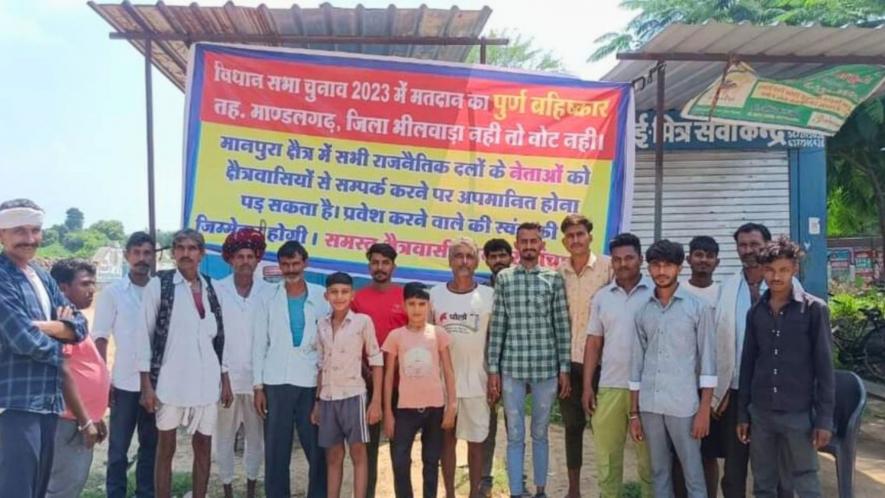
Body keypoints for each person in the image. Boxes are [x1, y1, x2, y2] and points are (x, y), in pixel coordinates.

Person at [0, 198, 88, 498]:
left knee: (38, 490)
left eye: (35, 230)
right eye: (19, 231)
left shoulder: (41, 276)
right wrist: (60, 343)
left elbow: (79, 326)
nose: (29, 238)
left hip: (48, 402)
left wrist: (45, 326)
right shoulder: (1, 276)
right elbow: (22, 339)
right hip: (14, 405)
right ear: (2, 234)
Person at [136, 229, 232, 498]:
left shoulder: (213, 288)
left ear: (201, 254)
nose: (186, 253)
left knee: (203, 447)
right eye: (180, 247)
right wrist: (146, 385)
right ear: (173, 253)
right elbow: (143, 335)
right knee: (165, 449)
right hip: (170, 382)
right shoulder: (160, 284)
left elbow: (221, 337)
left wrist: (225, 380)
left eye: (192, 248)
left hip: (207, 382)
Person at [737, 237, 835, 498]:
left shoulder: (814, 310)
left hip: (799, 413)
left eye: (783, 270)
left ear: (794, 270)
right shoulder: (756, 312)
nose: (776, 276)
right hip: (761, 413)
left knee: (805, 478)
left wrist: (824, 419)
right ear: (761, 270)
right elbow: (747, 365)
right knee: (763, 480)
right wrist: (743, 414)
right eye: (769, 270)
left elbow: (825, 368)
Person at [487, 222, 571, 498]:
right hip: (512, 367)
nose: (529, 246)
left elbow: (561, 326)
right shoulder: (505, 279)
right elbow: (498, 325)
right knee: (514, 434)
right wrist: (493, 370)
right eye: (524, 241)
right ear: (517, 245)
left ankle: (540, 490)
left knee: (540, 431)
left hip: (546, 368)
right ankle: (515, 491)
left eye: (534, 241)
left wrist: (564, 369)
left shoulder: (554, 279)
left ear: (542, 245)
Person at [629, 240, 716, 498]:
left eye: (668, 265)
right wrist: (634, 413)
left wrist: (704, 411)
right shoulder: (643, 310)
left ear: (679, 268)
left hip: (684, 406)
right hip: (650, 405)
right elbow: (637, 365)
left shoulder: (697, 308)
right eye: (656, 265)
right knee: (659, 471)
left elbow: (708, 365)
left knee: (693, 472)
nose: (661, 271)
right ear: (649, 268)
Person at [714, 223, 795, 498]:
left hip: (777, 393)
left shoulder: (791, 288)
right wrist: (720, 389)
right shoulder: (727, 288)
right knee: (734, 469)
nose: (748, 250)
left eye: (754, 244)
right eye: (743, 245)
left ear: (767, 245)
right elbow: (719, 341)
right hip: (737, 391)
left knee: (780, 470)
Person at [253, 241, 328, 498]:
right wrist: (258, 386)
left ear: (305, 263)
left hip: (310, 382)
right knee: (276, 450)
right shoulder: (267, 297)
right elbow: (259, 342)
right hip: (276, 381)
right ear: (280, 266)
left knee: (316, 448)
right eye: (285, 264)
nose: (291, 269)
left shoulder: (322, 296)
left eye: (295, 263)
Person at [581, 233, 653, 498]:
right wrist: (588, 386)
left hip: (648, 392)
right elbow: (593, 344)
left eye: (629, 258)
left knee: (649, 463)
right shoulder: (602, 297)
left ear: (640, 259)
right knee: (607, 462)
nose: (623, 264)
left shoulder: (655, 293)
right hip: (610, 387)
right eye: (618, 259)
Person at [93, 231, 158, 498]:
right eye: (137, 253)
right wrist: (103, 381)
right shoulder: (113, 292)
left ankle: (146, 493)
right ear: (127, 256)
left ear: (154, 257)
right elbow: (99, 338)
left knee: (151, 447)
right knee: (118, 449)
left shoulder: (162, 289)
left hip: (157, 384)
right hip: (123, 383)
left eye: (147, 253)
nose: (142, 259)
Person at [430, 237, 494, 498]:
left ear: (477, 261)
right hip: (444, 384)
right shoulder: (434, 294)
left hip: (477, 381)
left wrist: (493, 375)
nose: (464, 261)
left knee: (477, 442)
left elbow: (494, 338)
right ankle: (449, 494)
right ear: (450, 261)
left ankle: (474, 493)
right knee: (447, 441)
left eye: (469, 256)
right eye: (458, 256)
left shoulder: (489, 295)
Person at [311, 272, 383, 498]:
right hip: (328, 398)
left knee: (358, 452)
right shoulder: (322, 324)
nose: (339, 296)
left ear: (352, 295)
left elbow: (376, 360)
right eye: (334, 292)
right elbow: (322, 365)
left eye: (344, 292)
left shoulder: (362, 322)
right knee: (333, 455)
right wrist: (317, 402)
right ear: (326, 295)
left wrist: (377, 401)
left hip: (354, 395)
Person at [382, 282, 457, 498]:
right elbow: (388, 377)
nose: (417, 309)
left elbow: (449, 371)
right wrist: (388, 413)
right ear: (404, 306)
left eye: (421, 304)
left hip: (435, 407)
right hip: (405, 409)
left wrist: (451, 405)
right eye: (412, 304)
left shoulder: (438, 333)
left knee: (432, 460)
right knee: (400, 459)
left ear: (429, 305)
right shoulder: (396, 336)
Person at [556, 214, 611, 498]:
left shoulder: (608, 268)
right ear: (564, 241)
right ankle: (574, 489)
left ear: (590, 236)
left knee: (604, 429)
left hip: (602, 364)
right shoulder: (558, 272)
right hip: (567, 365)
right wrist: (560, 367)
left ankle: (607, 489)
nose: (576, 240)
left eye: (580, 234)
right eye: (570, 236)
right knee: (572, 426)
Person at [46, 259, 111, 498]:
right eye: (84, 284)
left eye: (93, 283)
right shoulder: (63, 321)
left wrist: (95, 416)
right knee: (62, 489)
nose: (91, 290)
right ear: (63, 288)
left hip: (78, 419)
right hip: (69, 422)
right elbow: (62, 372)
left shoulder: (76, 320)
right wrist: (85, 421)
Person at [351, 242, 408, 498]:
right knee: (368, 450)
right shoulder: (357, 299)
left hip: (401, 386)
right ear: (369, 266)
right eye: (375, 262)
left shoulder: (404, 297)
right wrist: (364, 370)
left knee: (401, 452)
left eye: (385, 263)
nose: (380, 267)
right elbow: (351, 339)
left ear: (393, 266)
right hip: (367, 384)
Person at [215, 228, 267, 498]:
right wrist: (223, 379)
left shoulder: (268, 291)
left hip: (258, 381)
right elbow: (215, 336)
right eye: (240, 256)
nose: (245, 261)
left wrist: (263, 383)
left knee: (256, 439)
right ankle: (226, 489)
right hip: (228, 381)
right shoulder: (218, 289)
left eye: (250, 256)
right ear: (231, 260)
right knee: (223, 437)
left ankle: (250, 488)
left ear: (257, 260)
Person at [675, 235, 721, 498]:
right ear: (688, 259)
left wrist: (715, 394)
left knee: (707, 453)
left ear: (717, 261)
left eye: (709, 255)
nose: (703, 260)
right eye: (698, 254)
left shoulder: (723, 295)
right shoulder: (677, 292)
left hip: (709, 388)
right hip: (679, 387)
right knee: (677, 454)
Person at [479, 237, 513, 497]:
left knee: (516, 428)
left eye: (503, 255)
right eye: (494, 257)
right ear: (486, 260)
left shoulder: (519, 286)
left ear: (511, 257)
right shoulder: (480, 293)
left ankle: (515, 476)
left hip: (515, 369)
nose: (499, 261)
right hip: (487, 370)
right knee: (486, 426)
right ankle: (484, 477)